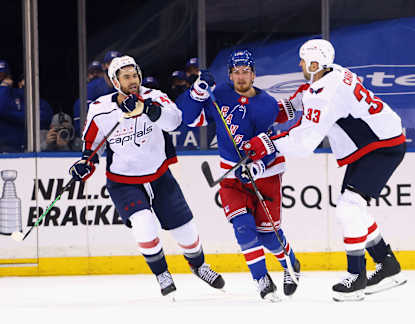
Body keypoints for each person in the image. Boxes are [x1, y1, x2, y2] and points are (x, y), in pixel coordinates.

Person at [242, 39, 407, 302]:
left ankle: (357, 277)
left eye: (303, 60)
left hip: (380, 147)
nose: (300, 64)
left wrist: (268, 143)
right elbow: (311, 94)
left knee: (349, 208)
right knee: (354, 207)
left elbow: (304, 143)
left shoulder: (324, 95)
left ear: (315, 63)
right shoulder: (336, 72)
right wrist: (289, 106)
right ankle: (387, 264)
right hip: (376, 142)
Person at [68, 55, 225, 298]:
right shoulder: (100, 109)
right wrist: (82, 165)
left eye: (135, 75)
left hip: (159, 175)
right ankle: (162, 273)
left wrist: (146, 109)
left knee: (185, 229)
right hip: (123, 182)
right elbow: (91, 148)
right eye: (126, 77)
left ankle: (199, 266)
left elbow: (174, 122)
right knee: (144, 225)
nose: (133, 80)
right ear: (115, 81)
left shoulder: (154, 96)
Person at [176, 49, 300, 301]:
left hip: (266, 174)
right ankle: (262, 280)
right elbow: (186, 118)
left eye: (246, 72)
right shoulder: (218, 95)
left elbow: (271, 142)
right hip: (231, 175)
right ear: (230, 75)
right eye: (236, 72)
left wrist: (258, 165)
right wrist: (196, 93)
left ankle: (290, 263)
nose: (241, 77)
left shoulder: (266, 104)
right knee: (243, 229)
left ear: (254, 75)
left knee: (269, 236)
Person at [0, 63, 53, 152]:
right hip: (6, 147)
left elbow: (44, 118)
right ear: (19, 83)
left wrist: (14, 116)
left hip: (32, 147)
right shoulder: (8, 95)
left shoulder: (41, 102)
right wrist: (4, 87)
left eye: (3, 76)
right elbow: (2, 109)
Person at [73, 51, 122, 135]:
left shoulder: (125, 85)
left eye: (98, 72)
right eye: (92, 72)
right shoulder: (90, 88)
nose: (95, 75)